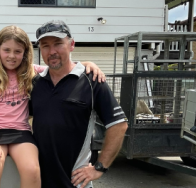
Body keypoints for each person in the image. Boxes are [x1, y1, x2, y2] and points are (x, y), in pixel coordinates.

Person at [0, 25, 105, 188]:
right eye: (7, 50)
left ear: (25, 52)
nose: (12, 56)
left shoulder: (31, 71)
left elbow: (63, 68)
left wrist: (87, 63)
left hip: (20, 131)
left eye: (18, 51)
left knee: (33, 170)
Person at [30, 20, 128, 188]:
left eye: (58, 44)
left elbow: (119, 125)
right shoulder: (35, 83)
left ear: (72, 44)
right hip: (39, 181)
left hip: (74, 182)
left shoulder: (92, 81)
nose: (52, 51)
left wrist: (100, 167)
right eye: (45, 46)